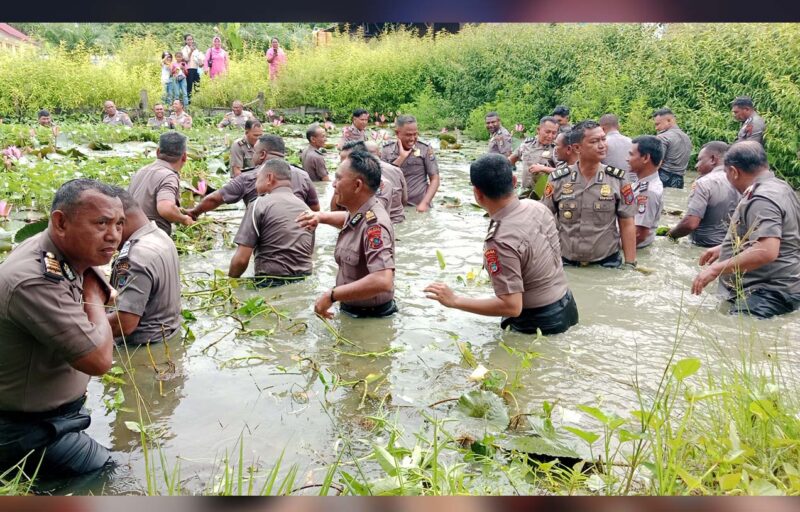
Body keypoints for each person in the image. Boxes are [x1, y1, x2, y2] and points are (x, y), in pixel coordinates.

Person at [0, 178, 122, 477]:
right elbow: (98, 360)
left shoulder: (64, 255)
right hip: (27, 431)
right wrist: (94, 295)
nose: (114, 236)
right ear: (61, 222)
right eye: (101, 223)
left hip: (55, 418)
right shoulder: (35, 280)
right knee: (113, 476)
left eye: (119, 224)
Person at [424, 154, 578, 335]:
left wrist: (455, 300)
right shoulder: (537, 207)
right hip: (568, 306)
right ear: (514, 181)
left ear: (477, 193)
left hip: (539, 322)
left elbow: (511, 307)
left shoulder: (499, 240)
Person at [692, 141, 800, 319]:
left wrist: (715, 269)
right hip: (783, 287)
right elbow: (781, 235)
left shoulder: (762, 198)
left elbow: (767, 251)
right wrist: (724, 248)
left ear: (734, 172)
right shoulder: (780, 187)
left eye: (726, 173)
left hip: (767, 293)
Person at [297, 151, 397, 319]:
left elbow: (383, 280)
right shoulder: (361, 212)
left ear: (357, 186)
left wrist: (332, 295)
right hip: (353, 312)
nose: (333, 184)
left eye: (338, 179)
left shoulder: (375, 226)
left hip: (370, 320)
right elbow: (351, 220)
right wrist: (321, 216)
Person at [542, 120, 637, 268]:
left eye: (603, 139)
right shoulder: (558, 179)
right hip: (566, 262)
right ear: (577, 148)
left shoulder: (618, 179)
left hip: (606, 263)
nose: (602, 145)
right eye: (594, 141)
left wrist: (630, 264)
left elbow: (627, 223)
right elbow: (545, 220)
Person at [107, 188, 181, 345]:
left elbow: (124, 323)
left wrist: (75, 328)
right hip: (167, 340)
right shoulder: (159, 235)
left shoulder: (135, 257)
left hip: (141, 351)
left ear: (120, 220)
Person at [188, 134, 320, 219]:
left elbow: (215, 199)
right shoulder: (303, 176)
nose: (252, 156)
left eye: (254, 152)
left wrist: (194, 213)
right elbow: (315, 209)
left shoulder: (248, 177)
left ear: (262, 154)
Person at [229, 159, 315, 287]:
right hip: (306, 280)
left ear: (269, 178)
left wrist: (229, 283)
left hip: (270, 281)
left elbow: (241, 260)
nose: (255, 184)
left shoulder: (258, 204)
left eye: (257, 179)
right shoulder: (306, 209)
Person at [667, 141, 740, 247]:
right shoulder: (742, 181)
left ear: (713, 159)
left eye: (700, 160)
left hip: (703, 248)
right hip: (731, 248)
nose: (696, 165)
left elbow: (690, 224)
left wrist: (671, 235)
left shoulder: (704, 183)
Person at [128, 131, 194, 235]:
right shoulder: (169, 176)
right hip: (150, 237)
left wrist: (178, 210)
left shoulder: (141, 171)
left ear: (158, 152)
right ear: (184, 157)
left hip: (129, 233)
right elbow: (165, 208)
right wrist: (184, 219)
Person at [380, 115, 440, 212]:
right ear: (397, 133)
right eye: (408, 135)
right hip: (395, 208)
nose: (412, 138)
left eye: (415, 134)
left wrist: (425, 203)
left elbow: (435, 179)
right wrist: (401, 158)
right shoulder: (386, 151)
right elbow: (382, 178)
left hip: (418, 206)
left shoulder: (425, 149)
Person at [330, 141, 394, 218]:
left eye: (348, 162)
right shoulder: (342, 180)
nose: (343, 165)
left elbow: (368, 215)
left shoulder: (379, 184)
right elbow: (334, 209)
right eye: (341, 162)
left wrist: (321, 216)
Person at [627, 135, 665, 249]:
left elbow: (639, 234)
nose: (627, 159)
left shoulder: (647, 191)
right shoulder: (642, 182)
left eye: (631, 154)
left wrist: (610, 249)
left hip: (632, 248)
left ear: (645, 158)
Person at [508, 116, 559, 190]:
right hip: (525, 191)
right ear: (538, 130)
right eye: (547, 132)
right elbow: (511, 159)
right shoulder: (527, 144)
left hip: (546, 194)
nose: (550, 136)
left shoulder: (557, 149)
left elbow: (565, 171)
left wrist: (543, 168)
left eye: (554, 133)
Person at [366, 140, 407, 224]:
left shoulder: (358, 172)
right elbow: (404, 200)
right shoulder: (396, 170)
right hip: (397, 220)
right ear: (380, 153)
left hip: (373, 222)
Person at [653, 108, 692, 189]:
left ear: (669, 120)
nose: (656, 128)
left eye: (658, 124)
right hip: (679, 180)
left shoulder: (662, 137)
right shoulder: (687, 138)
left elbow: (657, 164)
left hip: (663, 178)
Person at [599, 113, 634, 181]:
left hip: (612, 182)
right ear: (618, 126)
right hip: (632, 182)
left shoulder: (602, 144)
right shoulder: (631, 141)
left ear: (602, 128)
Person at [181, 34, 204, 102]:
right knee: (189, 87)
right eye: (188, 39)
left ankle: (197, 102)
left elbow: (199, 60)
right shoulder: (184, 49)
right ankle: (189, 102)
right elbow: (186, 59)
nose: (190, 41)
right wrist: (191, 51)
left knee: (197, 86)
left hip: (196, 69)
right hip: (189, 69)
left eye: (191, 39)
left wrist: (201, 63)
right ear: (185, 41)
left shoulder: (196, 49)